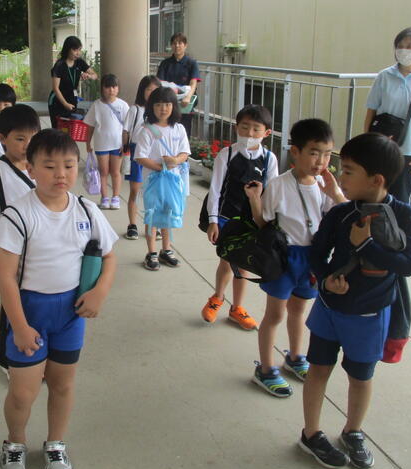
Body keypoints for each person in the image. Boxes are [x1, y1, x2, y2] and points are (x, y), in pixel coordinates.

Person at [0, 129, 118, 469]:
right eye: (49, 166)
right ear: (31, 169)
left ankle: (55, 443)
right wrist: (19, 326)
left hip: (70, 316)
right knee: (23, 392)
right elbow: (6, 277)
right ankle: (15, 442)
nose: (60, 174)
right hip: (29, 314)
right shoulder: (19, 214)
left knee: (62, 386)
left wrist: (100, 292)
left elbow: (110, 256)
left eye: (69, 165)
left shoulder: (87, 209)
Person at [300, 132, 411, 469]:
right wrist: (326, 279)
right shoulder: (340, 213)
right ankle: (311, 433)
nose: (340, 176)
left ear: (376, 180)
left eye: (349, 171)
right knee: (318, 369)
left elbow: (408, 265)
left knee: (361, 377)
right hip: (329, 309)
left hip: (370, 316)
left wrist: (366, 245)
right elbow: (317, 253)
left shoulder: (405, 216)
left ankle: (353, 430)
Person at [246, 119, 346, 396]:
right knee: (275, 314)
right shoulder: (279, 185)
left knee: (299, 311)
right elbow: (263, 222)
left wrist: (335, 193)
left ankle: (294, 356)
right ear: (295, 152)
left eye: (327, 154)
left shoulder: (324, 185)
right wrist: (255, 200)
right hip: (283, 258)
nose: (321, 161)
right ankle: (266, 368)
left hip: (312, 258)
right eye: (314, 153)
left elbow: (343, 215)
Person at [201, 105, 279, 330]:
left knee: (244, 265)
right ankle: (217, 297)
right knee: (227, 261)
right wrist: (213, 221)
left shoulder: (269, 159)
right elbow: (215, 190)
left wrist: (268, 223)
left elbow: (272, 192)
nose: (249, 134)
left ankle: (237, 308)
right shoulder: (227, 154)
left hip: (252, 221)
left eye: (256, 129)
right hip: (227, 218)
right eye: (244, 127)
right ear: (237, 128)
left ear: (266, 133)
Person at [364, 27, 411, 204]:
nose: (403, 50)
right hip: (382, 146)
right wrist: (369, 142)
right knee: (375, 195)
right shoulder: (384, 76)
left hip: (410, 150)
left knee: (401, 199)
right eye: (400, 46)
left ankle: (397, 224)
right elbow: (371, 111)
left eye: (410, 46)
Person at [0, 104, 41, 282]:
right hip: (10, 245)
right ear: (2, 139)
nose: (28, 145)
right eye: (20, 139)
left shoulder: (44, 166)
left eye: (34, 138)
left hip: (42, 242)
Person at [135, 87, 190, 271]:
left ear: (174, 106)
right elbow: (140, 157)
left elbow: (184, 153)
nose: (163, 109)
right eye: (158, 105)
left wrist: (175, 161)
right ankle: (151, 252)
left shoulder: (179, 129)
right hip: (153, 181)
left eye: (167, 104)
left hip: (173, 182)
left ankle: (166, 250)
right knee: (152, 215)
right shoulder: (147, 130)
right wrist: (161, 168)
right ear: (151, 107)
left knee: (169, 214)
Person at [83, 73, 130, 209]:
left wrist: (125, 143)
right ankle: (104, 198)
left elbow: (127, 127)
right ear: (102, 88)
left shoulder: (123, 105)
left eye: (114, 87)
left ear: (118, 88)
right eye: (108, 87)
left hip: (118, 144)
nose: (111, 90)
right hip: (101, 144)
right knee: (103, 172)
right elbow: (90, 127)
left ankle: (115, 197)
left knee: (115, 172)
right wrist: (88, 143)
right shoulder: (96, 105)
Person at [122, 75, 160, 239]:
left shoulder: (160, 111)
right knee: (135, 191)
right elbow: (126, 131)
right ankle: (132, 224)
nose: (152, 93)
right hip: (137, 152)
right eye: (149, 89)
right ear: (142, 91)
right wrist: (125, 148)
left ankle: (153, 225)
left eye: (155, 90)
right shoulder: (135, 109)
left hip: (153, 154)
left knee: (153, 193)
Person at [156, 32, 202, 138]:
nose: (177, 46)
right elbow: (159, 83)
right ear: (171, 45)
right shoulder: (165, 63)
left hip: (185, 104)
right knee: (167, 132)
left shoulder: (192, 63)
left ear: (185, 45)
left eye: (180, 43)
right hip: (168, 104)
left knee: (184, 133)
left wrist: (188, 97)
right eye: (174, 43)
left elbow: (193, 83)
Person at [48, 35, 98, 129]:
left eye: (79, 50)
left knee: (70, 129)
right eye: (75, 50)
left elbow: (95, 75)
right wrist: (65, 104)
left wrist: (89, 75)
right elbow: (55, 88)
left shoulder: (79, 62)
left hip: (71, 98)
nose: (78, 53)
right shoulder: (59, 65)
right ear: (68, 49)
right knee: (57, 130)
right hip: (58, 100)